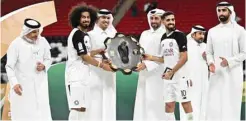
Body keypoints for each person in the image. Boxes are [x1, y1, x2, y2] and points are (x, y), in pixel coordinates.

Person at [65, 4, 112, 121]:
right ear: (77, 19)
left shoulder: (84, 34)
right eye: (83, 17)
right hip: (75, 77)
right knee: (76, 108)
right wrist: (102, 65)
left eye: (88, 17)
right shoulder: (77, 34)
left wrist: (98, 51)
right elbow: (84, 56)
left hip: (84, 77)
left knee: (82, 108)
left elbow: (87, 53)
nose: (86, 19)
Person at [144, 11, 194, 121]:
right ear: (163, 22)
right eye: (168, 20)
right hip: (168, 78)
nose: (171, 22)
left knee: (185, 103)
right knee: (169, 105)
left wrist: (172, 72)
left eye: (173, 20)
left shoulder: (180, 35)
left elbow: (184, 57)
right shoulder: (163, 38)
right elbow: (164, 58)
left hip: (180, 76)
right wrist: (150, 57)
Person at [5, 18, 52, 120]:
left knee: (42, 112)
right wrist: (14, 83)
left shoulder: (43, 41)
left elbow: (48, 59)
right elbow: (9, 67)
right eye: (34, 32)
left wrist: (44, 65)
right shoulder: (16, 44)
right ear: (27, 31)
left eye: (38, 31)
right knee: (23, 112)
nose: (37, 34)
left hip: (41, 85)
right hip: (23, 86)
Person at [206, 1, 246, 120]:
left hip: (233, 73)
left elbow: (244, 53)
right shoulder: (212, 31)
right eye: (219, 11)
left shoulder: (240, 30)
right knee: (214, 105)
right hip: (216, 73)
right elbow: (209, 52)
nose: (221, 13)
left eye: (224, 10)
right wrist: (210, 63)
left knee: (231, 104)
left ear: (230, 12)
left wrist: (229, 61)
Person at [133, 8, 166, 121]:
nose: (153, 21)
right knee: (142, 101)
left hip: (159, 74)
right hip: (143, 74)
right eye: (151, 18)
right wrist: (136, 63)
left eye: (156, 18)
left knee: (157, 102)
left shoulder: (166, 35)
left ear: (162, 19)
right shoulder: (144, 34)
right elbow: (140, 52)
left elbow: (165, 57)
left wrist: (147, 65)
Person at [87, 9, 117, 121]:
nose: (106, 20)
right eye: (103, 18)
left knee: (109, 98)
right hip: (94, 71)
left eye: (108, 18)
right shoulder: (90, 35)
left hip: (110, 71)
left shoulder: (114, 35)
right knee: (95, 99)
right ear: (97, 19)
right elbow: (85, 55)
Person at [186, 25, 209, 121]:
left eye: (203, 34)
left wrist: (207, 58)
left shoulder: (205, 46)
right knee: (191, 104)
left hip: (204, 81)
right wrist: (185, 77)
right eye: (199, 34)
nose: (202, 36)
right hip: (190, 80)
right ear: (193, 34)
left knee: (204, 104)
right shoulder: (186, 46)